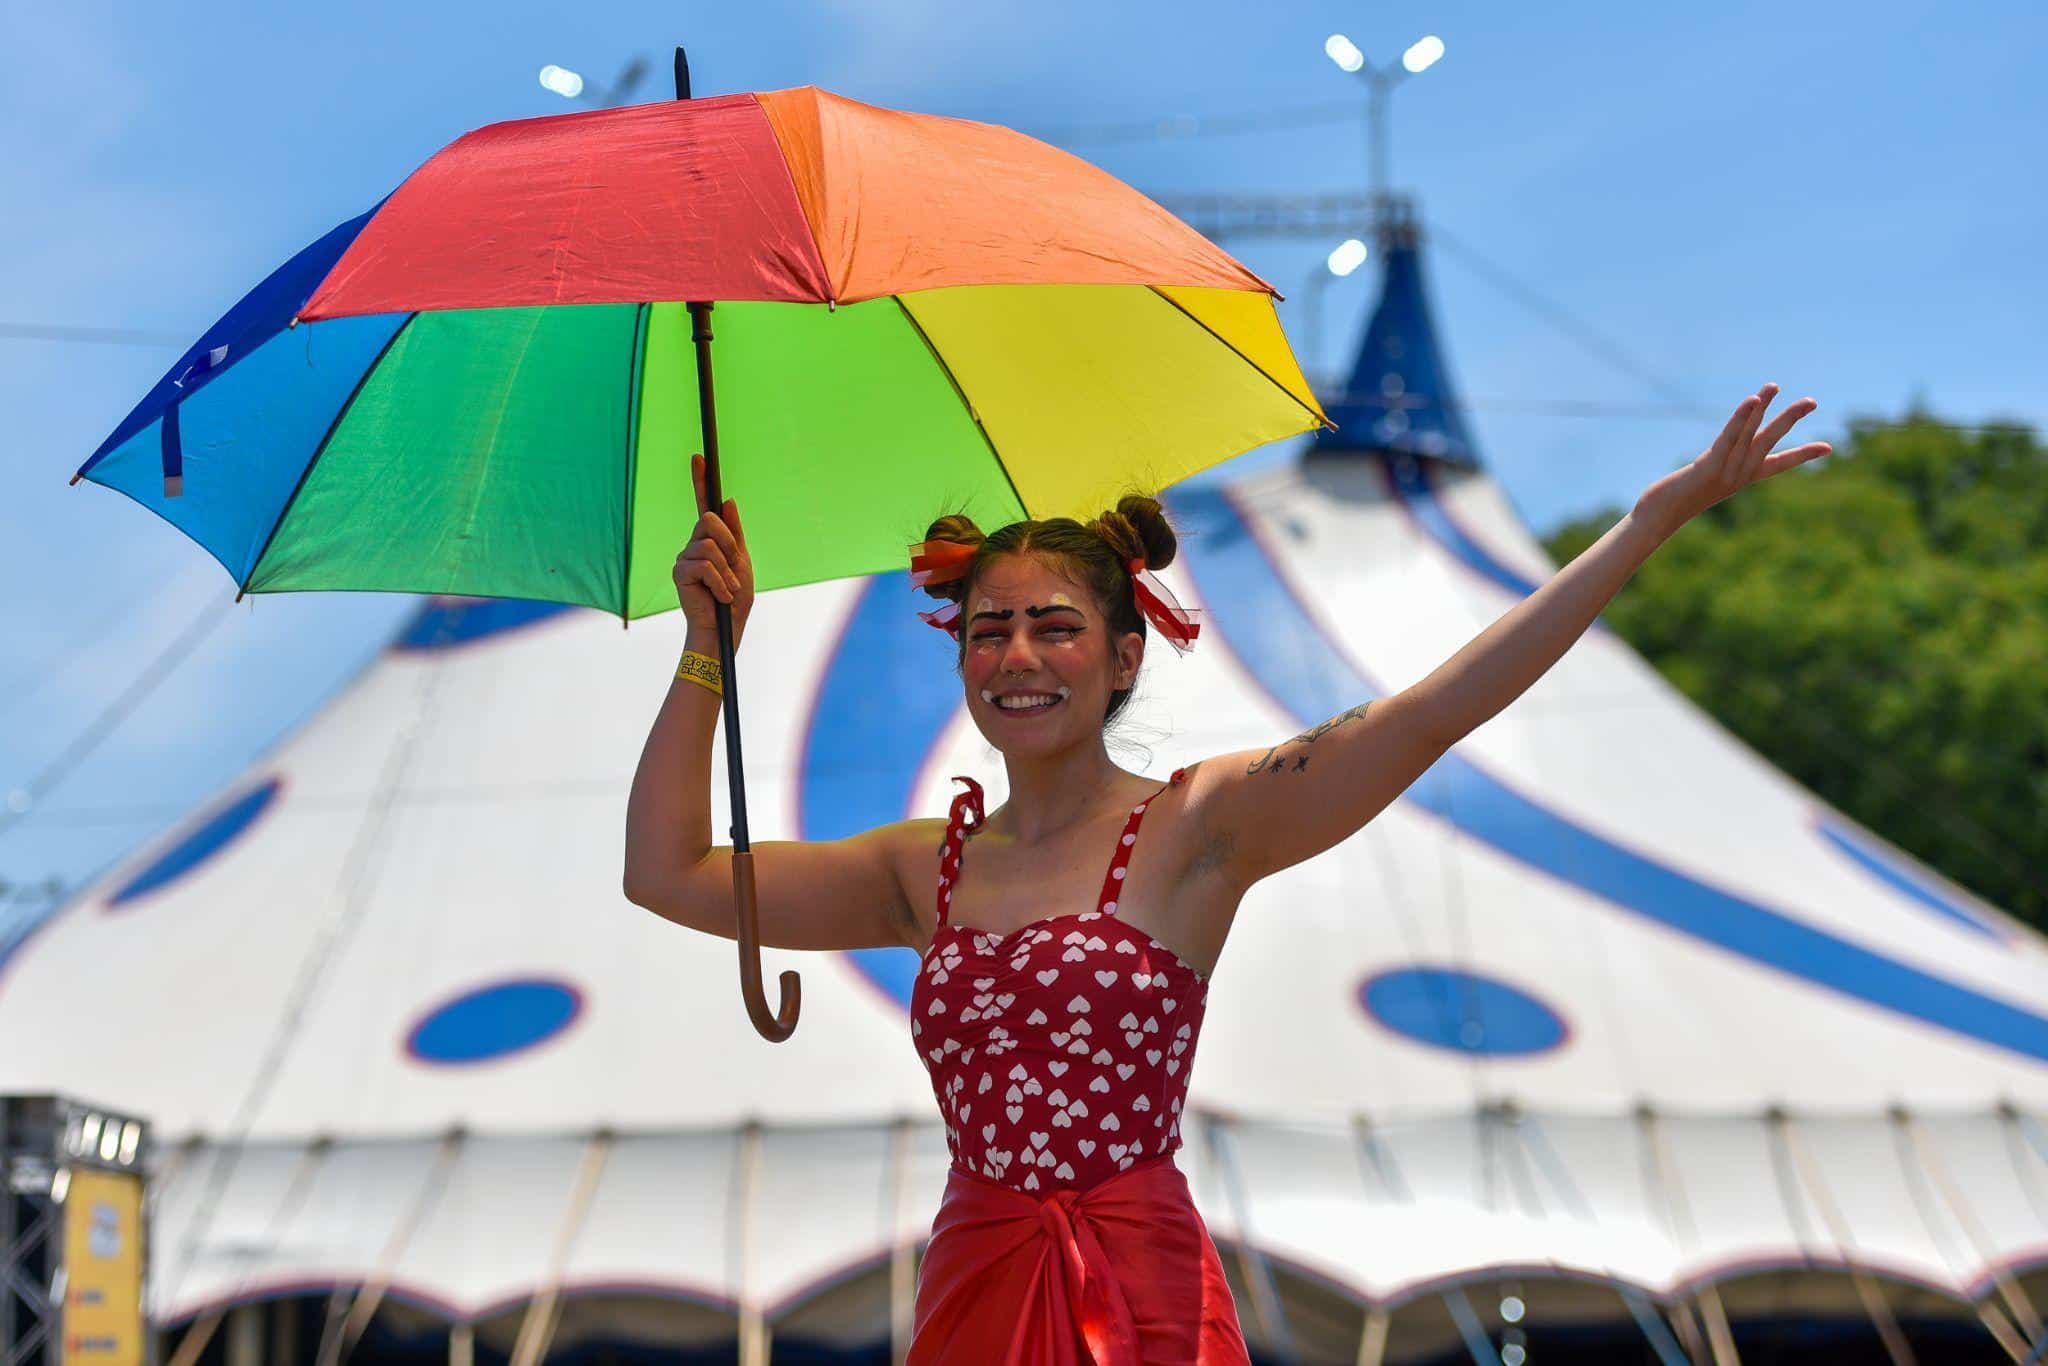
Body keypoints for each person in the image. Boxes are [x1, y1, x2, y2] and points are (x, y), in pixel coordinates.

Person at [624, 385, 1829, 1363]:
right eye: (987, 629)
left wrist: (1645, 525)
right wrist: (702, 647)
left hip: (1140, 1288)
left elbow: (1431, 711)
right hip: (974, 1286)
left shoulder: (1202, 825)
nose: (1016, 654)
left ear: (1120, 653)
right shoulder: (917, 868)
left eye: (1053, 624)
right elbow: (667, 872)